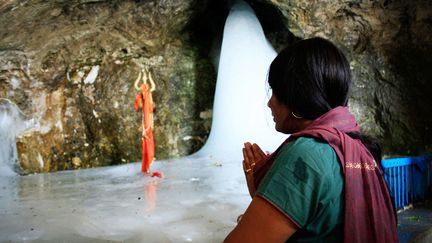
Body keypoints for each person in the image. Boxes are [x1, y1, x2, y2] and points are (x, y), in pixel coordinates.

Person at [224, 37, 399, 243]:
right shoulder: (357, 147)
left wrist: (271, 188)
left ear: (296, 96)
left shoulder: (306, 153)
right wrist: (265, 194)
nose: (270, 103)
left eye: (275, 92)